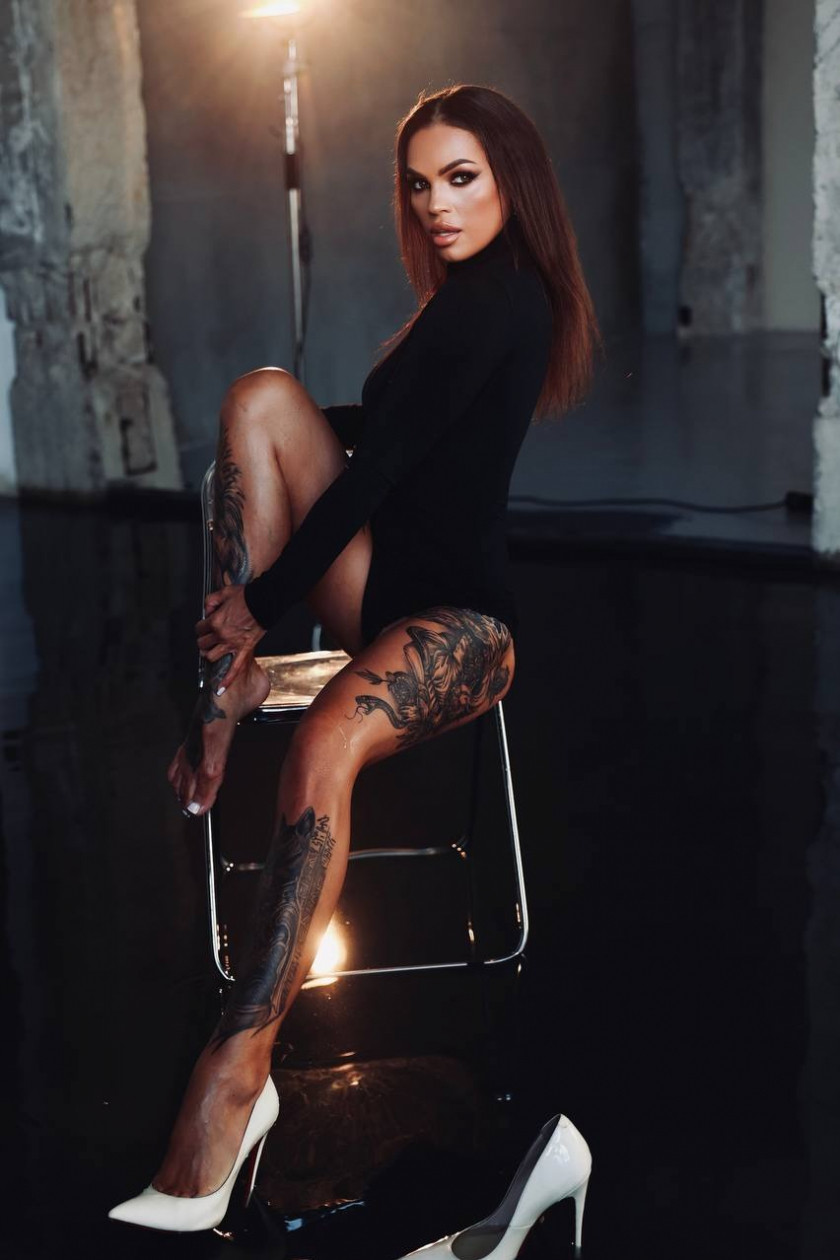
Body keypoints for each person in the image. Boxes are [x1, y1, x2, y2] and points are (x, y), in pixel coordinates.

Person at [109, 82, 602, 1234]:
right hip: (383, 593)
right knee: (260, 401)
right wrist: (270, 527)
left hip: (464, 628)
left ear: (513, 181)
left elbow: (379, 475)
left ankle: (236, 1077)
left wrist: (260, 604)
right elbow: (383, 443)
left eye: (461, 179)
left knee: (322, 741)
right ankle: (224, 696)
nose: (436, 204)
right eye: (420, 185)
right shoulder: (458, 303)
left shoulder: (505, 299)